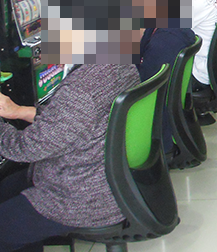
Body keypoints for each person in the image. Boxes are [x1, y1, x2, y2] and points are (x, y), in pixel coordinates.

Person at [0, 64, 140, 251]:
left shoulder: (81, 89)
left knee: (6, 227)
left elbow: (26, 149)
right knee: (7, 188)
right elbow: (72, 117)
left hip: (80, 199)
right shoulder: (121, 65)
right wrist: (18, 111)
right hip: (110, 180)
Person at [137, 28, 196, 154]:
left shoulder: (161, 45)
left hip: (156, 131)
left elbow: (142, 87)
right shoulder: (173, 28)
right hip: (166, 121)